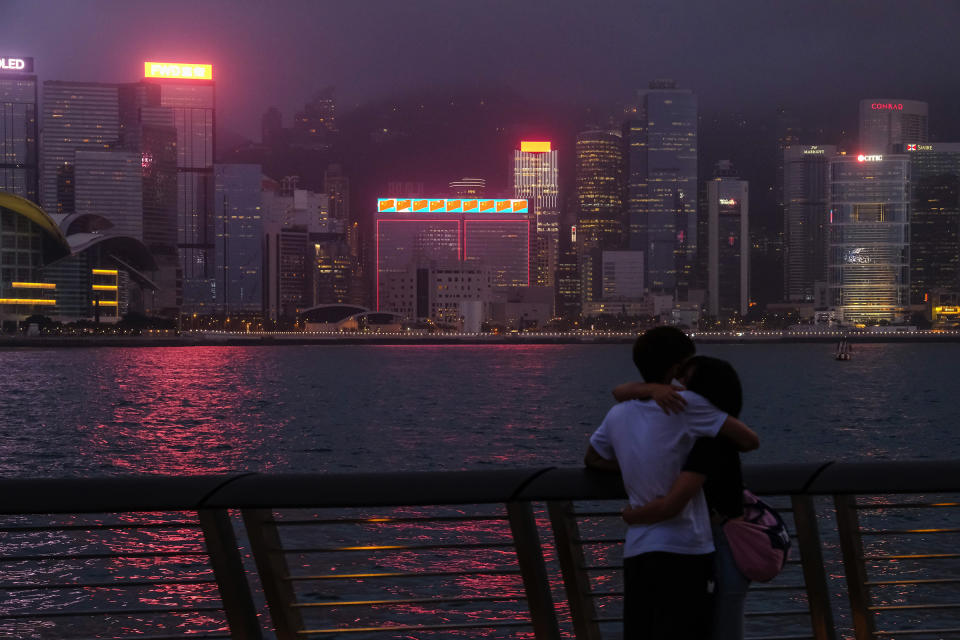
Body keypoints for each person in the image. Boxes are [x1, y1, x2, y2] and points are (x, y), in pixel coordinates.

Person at [585, 327, 759, 639]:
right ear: (677, 368)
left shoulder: (617, 414)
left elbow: (593, 460)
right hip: (687, 549)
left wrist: (635, 464)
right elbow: (748, 440)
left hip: (638, 550)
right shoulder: (688, 405)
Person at [621, 356, 753, 640]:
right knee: (723, 620)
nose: (678, 387)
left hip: (714, 539)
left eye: (687, 382)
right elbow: (620, 391)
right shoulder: (719, 435)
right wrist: (651, 390)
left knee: (719, 623)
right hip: (721, 538)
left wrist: (630, 515)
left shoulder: (708, 444)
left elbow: (672, 504)